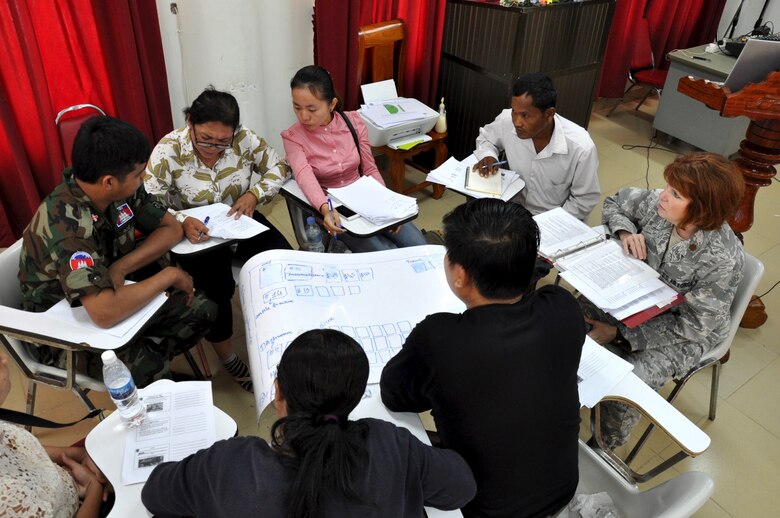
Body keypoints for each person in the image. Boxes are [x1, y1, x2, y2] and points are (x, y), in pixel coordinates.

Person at [380, 199, 586, 517]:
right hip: (560, 489)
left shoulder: (439, 338)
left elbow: (394, 395)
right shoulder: (563, 308)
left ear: (460, 275)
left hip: (483, 507)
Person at [142, 328, 476, 518]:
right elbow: (461, 488)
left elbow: (155, 493)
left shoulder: (233, 465)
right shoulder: (389, 444)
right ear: (355, 399)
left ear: (277, 392)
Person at [19, 116, 216, 387]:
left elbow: (171, 229)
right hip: (63, 334)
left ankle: (153, 374)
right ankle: (153, 377)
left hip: (108, 291)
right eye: (139, 174)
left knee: (202, 310)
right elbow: (104, 313)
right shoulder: (67, 227)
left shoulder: (116, 189)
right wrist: (167, 276)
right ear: (109, 181)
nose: (144, 178)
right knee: (147, 367)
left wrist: (122, 267)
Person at [581, 152, 745, 447]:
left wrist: (621, 335)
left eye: (675, 194)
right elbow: (615, 202)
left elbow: (695, 325)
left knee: (627, 384)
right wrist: (625, 231)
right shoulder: (659, 204)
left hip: (686, 330)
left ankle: (603, 446)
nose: (663, 197)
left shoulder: (722, 258)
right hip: (641, 298)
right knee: (564, 318)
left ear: (702, 210)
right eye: (668, 188)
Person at [145, 87, 294, 391]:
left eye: (222, 142)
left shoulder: (244, 139)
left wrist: (254, 194)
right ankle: (227, 356)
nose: (213, 148)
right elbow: (147, 201)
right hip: (195, 234)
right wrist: (180, 220)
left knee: (283, 262)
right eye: (205, 139)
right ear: (190, 122)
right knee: (216, 290)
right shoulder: (168, 150)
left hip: (238, 220)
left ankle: (282, 342)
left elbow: (278, 167)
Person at [281, 65, 427, 253]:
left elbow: (370, 169)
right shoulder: (293, 137)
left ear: (331, 104)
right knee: (383, 251)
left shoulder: (354, 123)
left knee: (417, 244)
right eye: (297, 107)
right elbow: (304, 177)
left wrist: (386, 206)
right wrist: (325, 209)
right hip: (335, 209)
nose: (303, 116)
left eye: (311, 109)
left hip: (367, 199)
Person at [473, 73, 600, 221]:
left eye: (525, 116)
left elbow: (584, 200)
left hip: (554, 220)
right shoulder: (506, 120)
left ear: (549, 114)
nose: (517, 122)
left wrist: (546, 225)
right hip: (513, 210)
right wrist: (488, 155)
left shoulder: (581, 147)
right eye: (514, 112)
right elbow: (486, 138)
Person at [0, 351, 110, 518]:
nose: (4, 357)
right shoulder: (9, 501)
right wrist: (93, 488)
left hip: (65, 479)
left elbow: (21, 449)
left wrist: (82, 455)